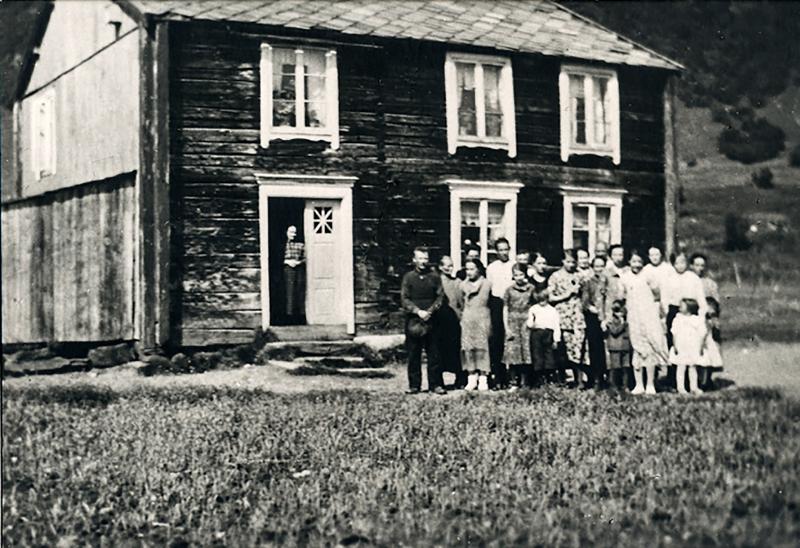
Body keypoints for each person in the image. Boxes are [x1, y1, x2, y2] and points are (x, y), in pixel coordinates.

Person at [622, 250, 669, 395]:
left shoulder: (648, 275)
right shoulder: (625, 277)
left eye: (639, 262)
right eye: (633, 261)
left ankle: (650, 384)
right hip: (633, 317)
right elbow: (623, 296)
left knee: (649, 350)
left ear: (643, 263)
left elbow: (657, 295)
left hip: (648, 316)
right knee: (637, 349)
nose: (636, 265)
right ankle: (639, 384)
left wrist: (654, 313)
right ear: (629, 262)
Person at [401, 247, 445, 395]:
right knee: (414, 354)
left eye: (425, 258)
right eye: (420, 258)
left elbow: (440, 297)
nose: (423, 262)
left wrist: (430, 311)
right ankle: (414, 385)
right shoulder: (408, 277)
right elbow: (404, 298)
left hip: (432, 319)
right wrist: (417, 311)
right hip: (414, 320)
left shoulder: (434, 276)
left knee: (434, 353)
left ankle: (436, 384)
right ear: (414, 260)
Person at [548, 249, 588, 388]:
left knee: (579, 347)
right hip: (563, 316)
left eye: (573, 262)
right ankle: (563, 379)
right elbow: (550, 297)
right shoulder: (555, 276)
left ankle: (580, 379)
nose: (571, 264)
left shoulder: (580, 276)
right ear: (562, 261)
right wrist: (567, 294)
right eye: (568, 261)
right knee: (563, 348)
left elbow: (586, 295)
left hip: (577, 316)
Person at [460, 258, 493, 391]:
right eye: (467, 269)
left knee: (482, 346)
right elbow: (461, 304)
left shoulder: (487, 284)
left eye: (472, 269)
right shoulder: (462, 285)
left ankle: (483, 377)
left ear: (479, 269)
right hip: (468, 318)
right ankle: (471, 377)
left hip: (482, 317)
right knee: (468, 347)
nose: (469, 272)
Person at [663, 252, 707, 349]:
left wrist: (702, 312)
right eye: (677, 263)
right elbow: (665, 297)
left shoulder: (693, 278)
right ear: (673, 264)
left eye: (683, 262)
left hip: (691, 310)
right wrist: (667, 312)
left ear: (687, 263)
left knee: (690, 336)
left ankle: (691, 360)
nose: (680, 266)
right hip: (674, 309)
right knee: (674, 335)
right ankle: (675, 360)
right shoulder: (669, 278)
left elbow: (700, 296)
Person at [486, 238, 514, 389]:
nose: (503, 252)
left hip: (512, 303)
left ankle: (512, 377)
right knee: (497, 341)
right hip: (496, 304)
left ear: (509, 249)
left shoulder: (514, 266)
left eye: (506, 249)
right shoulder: (492, 267)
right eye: (500, 250)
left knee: (511, 340)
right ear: (496, 251)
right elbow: (490, 289)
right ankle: (498, 376)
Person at [690, 252, 721, 389]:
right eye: (697, 265)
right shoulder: (687, 280)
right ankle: (691, 380)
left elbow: (715, 303)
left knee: (708, 349)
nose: (700, 268)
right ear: (691, 266)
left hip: (706, 319)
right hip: (691, 320)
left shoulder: (710, 283)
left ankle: (706, 380)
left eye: (702, 265)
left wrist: (712, 316)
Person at [503, 263, 534, 389]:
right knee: (512, 353)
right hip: (512, 322)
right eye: (516, 275)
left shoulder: (531, 288)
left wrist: (531, 321)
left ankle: (525, 381)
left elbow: (534, 306)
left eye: (521, 274)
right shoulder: (509, 290)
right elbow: (505, 308)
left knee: (526, 352)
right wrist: (506, 327)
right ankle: (513, 382)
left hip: (526, 322)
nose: (519, 277)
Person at [669, 298, 707, 395]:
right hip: (681, 346)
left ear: (690, 308)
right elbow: (674, 333)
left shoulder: (697, 320)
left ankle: (693, 387)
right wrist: (675, 345)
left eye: (682, 306)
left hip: (693, 346)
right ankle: (680, 388)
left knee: (692, 367)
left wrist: (701, 347)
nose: (679, 307)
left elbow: (702, 333)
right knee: (681, 367)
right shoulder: (677, 319)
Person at [582, 256, 608, 388]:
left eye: (602, 266)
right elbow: (585, 302)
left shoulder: (608, 280)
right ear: (592, 267)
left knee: (608, 348)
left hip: (608, 316)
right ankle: (597, 378)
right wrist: (597, 311)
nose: (599, 269)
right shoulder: (588, 282)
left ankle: (610, 377)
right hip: (594, 318)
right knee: (595, 348)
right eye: (596, 266)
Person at [438, 256, 465, 388]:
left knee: (456, 350)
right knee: (439, 350)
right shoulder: (436, 281)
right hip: (440, 321)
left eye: (450, 266)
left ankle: (459, 380)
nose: (448, 268)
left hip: (454, 320)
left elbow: (461, 302)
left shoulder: (457, 282)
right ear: (440, 267)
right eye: (445, 265)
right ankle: (439, 381)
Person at [526, 289, 561, 385]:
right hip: (537, 333)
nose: (542, 302)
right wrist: (532, 324)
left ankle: (549, 377)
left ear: (547, 299)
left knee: (549, 355)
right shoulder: (533, 309)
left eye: (544, 300)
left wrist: (556, 340)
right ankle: (539, 378)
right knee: (537, 355)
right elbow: (530, 322)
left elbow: (556, 325)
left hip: (548, 333)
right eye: (539, 300)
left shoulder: (552, 310)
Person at [605, 299, 632, 390]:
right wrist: (622, 324)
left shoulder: (627, 320)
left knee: (625, 367)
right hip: (615, 347)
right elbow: (614, 331)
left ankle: (625, 385)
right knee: (615, 368)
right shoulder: (610, 320)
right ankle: (613, 385)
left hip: (625, 347)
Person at [642, 246, 675, 315]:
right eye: (652, 255)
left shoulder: (668, 268)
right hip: (652, 302)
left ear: (661, 255)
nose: (654, 257)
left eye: (657, 255)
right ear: (648, 256)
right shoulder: (645, 269)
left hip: (667, 300)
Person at [283, 225, 306, 324]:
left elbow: (305, 257)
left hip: (298, 268)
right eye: (291, 232)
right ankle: (289, 317)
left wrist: (299, 262)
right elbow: (276, 257)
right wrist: (287, 262)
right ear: (287, 232)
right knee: (289, 291)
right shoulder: (283, 245)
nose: (293, 234)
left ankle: (300, 317)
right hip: (288, 268)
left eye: (295, 232)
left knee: (300, 291)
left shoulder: (301, 244)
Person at [603, 244, 628, 326]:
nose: (618, 257)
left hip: (626, 307)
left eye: (620, 254)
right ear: (610, 256)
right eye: (615, 255)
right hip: (610, 308)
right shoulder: (606, 272)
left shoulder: (628, 270)